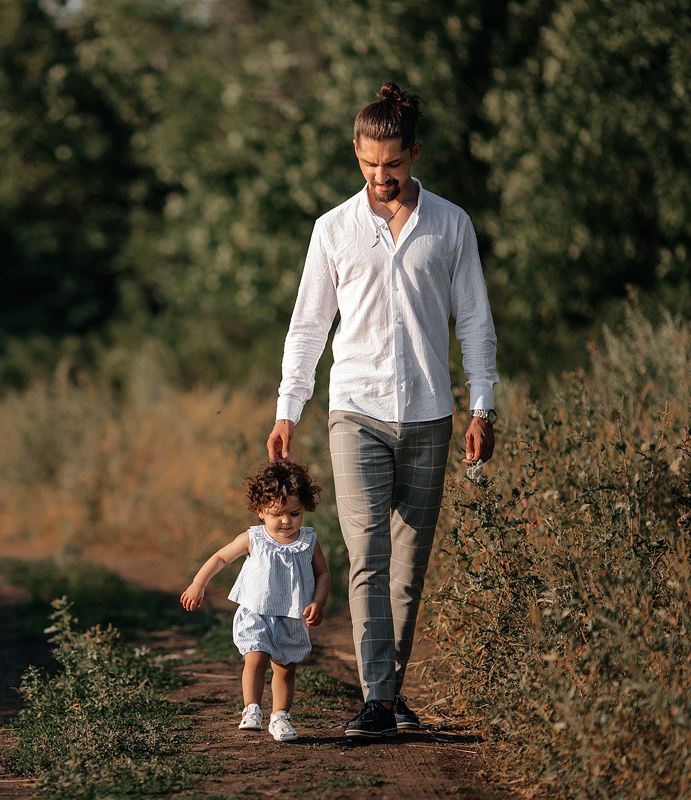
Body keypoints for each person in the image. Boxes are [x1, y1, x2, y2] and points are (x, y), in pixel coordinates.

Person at [265, 82, 497, 739]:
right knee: (365, 556)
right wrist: (289, 407)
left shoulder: (451, 224)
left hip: (429, 415)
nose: (380, 176)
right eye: (368, 164)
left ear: (414, 153)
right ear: (357, 156)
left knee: (409, 565)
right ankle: (374, 698)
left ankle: (390, 694)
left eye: (392, 164)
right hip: (356, 411)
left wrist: (483, 406)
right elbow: (307, 327)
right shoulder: (333, 230)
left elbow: (476, 321)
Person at [180, 459, 331, 743]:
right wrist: (198, 583)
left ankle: (281, 717)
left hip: (292, 615)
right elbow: (221, 557)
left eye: (295, 514)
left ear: (305, 509)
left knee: (285, 669)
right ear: (261, 511)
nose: (286, 521)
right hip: (256, 612)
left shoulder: (309, 542)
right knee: (256, 658)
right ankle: (252, 709)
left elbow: (322, 573)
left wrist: (318, 602)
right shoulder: (254, 538)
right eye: (277, 514)